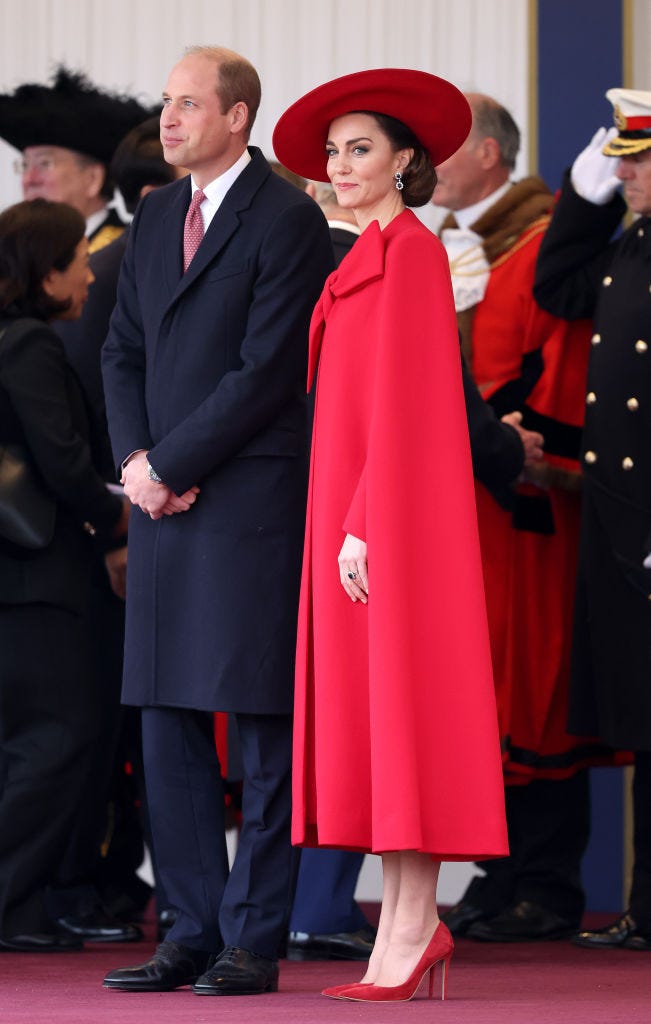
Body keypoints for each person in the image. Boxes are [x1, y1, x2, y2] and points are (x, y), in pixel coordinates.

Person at [100, 45, 333, 996]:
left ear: (237, 116)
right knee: (167, 723)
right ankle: (188, 930)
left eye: (188, 105)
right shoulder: (157, 214)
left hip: (246, 503)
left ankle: (251, 939)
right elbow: (120, 351)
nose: (169, 120)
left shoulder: (286, 217)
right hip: (163, 501)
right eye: (166, 104)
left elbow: (268, 370)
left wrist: (172, 465)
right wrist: (136, 468)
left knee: (263, 728)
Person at [273, 68, 508, 1003]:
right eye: (333, 152)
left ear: (407, 159)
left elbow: (410, 405)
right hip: (352, 512)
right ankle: (409, 926)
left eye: (360, 148)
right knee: (383, 720)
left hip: (391, 517)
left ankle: (413, 924)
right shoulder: (356, 255)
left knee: (402, 709)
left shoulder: (409, 253)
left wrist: (364, 523)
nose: (340, 166)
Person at [431, 94, 625, 944]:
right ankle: (499, 873)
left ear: (484, 152)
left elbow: (557, 366)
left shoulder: (544, 240)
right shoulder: (440, 244)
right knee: (481, 694)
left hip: (529, 499)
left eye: (440, 145)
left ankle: (542, 884)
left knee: (533, 691)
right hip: (468, 501)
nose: (422, 161)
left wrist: (522, 447)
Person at [49, 118, 180, 945]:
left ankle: (115, 874)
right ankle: (94, 877)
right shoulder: (119, 267)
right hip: (122, 522)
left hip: (145, 515)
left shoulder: (135, 260)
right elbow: (97, 412)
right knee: (114, 715)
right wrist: (118, 527)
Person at [534, 88, 651, 952]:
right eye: (623, 159)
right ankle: (646, 906)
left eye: (640, 162)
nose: (628, 174)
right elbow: (555, 282)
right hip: (622, 519)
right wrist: (585, 192)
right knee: (643, 727)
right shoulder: (630, 244)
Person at [0, 198, 129, 952]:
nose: (89, 270)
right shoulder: (30, 347)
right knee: (56, 740)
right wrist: (119, 517)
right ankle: (11, 904)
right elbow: (66, 466)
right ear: (46, 274)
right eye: (78, 258)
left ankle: (18, 907)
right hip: (36, 582)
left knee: (28, 745)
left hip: (21, 584)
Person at [0, 66, 153, 252]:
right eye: (24, 165)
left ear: (93, 179)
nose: (29, 179)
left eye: (44, 163)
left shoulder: (127, 254)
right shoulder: (22, 252)